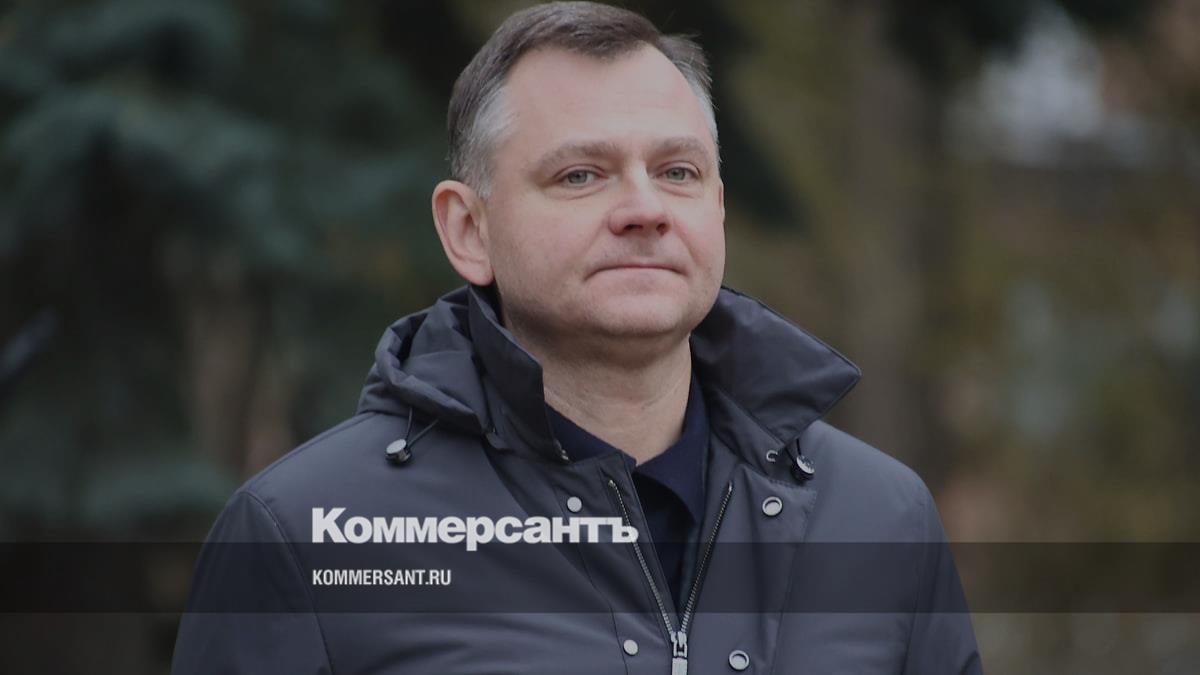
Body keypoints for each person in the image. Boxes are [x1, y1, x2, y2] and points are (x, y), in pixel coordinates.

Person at [172, 2, 982, 673]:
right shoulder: (306, 536)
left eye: (678, 172)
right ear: (469, 230)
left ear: (717, 209)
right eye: (580, 175)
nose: (645, 209)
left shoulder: (881, 516)